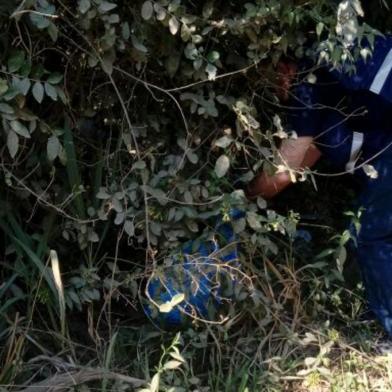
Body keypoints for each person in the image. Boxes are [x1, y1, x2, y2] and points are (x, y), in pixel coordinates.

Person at [247, 35, 392, 337]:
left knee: (370, 235)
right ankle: (382, 305)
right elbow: (303, 159)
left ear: (283, 67)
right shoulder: (330, 67)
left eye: (273, 81)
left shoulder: (307, 82)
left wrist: (240, 200)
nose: (277, 91)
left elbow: (284, 169)